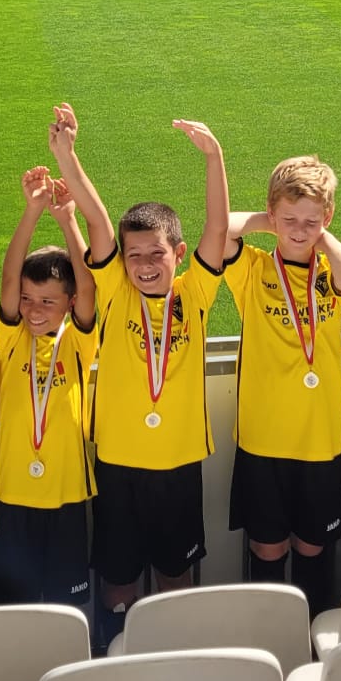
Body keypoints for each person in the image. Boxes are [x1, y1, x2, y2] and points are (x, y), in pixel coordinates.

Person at [46, 103, 231, 649]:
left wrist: (214, 158)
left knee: (176, 577)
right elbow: (99, 222)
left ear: (178, 252)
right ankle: (115, 656)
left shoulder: (196, 294)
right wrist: (67, 155)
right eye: (134, 255)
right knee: (119, 579)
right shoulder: (117, 292)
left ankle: (177, 655)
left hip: (177, 462)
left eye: (157, 253)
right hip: (119, 463)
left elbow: (218, 227)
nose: (145, 264)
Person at [220, 150, 341, 611]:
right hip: (263, 439)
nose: (300, 230)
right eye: (289, 219)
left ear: (328, 218)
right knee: (268, 549)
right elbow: (222, 229)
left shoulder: (328, 271)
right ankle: (269, 634)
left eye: (312, 220)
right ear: (272, 213)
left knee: (313, 547)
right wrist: (271, 219)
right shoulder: (255, 269)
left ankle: (311, 636)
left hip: (320, 438)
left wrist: (321, 236)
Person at [0, 163, 98, 614]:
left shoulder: (78, 342)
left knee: (65, 609)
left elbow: (89, 284)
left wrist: (69, 220)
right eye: (28, 301)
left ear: (68, 305)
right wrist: (31, 213)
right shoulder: (12, 338)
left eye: (48, 302)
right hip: (11, 497)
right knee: (12, 612)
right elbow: (9, 279)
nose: (34, 311)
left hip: (68, 496)